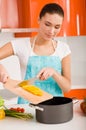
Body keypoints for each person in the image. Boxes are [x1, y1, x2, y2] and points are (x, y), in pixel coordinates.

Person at [0, 3, 71, 104]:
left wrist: (54, 73)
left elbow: (67, 87)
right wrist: (1, 69)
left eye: (57, 27)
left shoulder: (63, 48)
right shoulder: (21, 45)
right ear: (39, 20)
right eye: (47, 24)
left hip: (55, 107)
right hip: (27, 107)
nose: (51, 31)